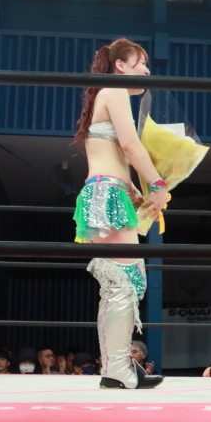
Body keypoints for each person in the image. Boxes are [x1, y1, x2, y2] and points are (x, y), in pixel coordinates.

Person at [73, 39, 168, 391]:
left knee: (122, 282)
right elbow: (130, 145)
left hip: (110, 191)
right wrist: (158, 184)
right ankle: (117, 369)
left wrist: (134, 190)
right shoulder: (114, 91)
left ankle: (118, 367)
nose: (147, 69)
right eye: (141, 62)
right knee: (122, 282)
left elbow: (112, 155)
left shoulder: (107, 95)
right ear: (121, 66)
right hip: (106, 192)